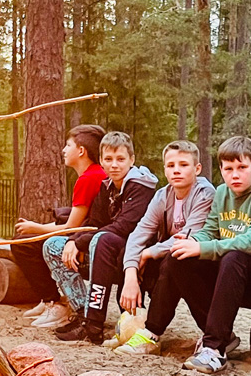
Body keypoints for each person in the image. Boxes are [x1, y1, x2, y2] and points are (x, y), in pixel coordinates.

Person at [162, 135, 251, 374]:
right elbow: (210, 230)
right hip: (234, 272)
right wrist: (192, 242)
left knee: (235, 256)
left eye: (242, 167)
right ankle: (224, 336)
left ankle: (213, 349)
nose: (235, 175)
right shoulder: (222, 193)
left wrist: (203, 248)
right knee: (178, 258)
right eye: (228, 169)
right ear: (221, 170)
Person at [49, 131, 157, 343]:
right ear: (101, 161)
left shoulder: (141, 186)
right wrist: (72, 240)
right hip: (108, 244)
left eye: (120, 159)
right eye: (108, 159)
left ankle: (94, 324)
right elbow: (94, 222)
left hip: (137, 252)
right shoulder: (106, 186)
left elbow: (124, 226)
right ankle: (82, 313)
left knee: (102, 240)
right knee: (54, 245)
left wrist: (81, 241)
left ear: (132, 160)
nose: (114, 165)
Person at [113, 140, 216, 355]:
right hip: (174, 255)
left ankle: (151, 334)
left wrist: (149, 252)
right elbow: (139, 233)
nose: (176, 170)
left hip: (203, 261)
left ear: (197, 168)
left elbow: (191, 236)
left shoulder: (205, 194)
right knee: (126, 254)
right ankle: (130, 327)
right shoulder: (163, 195)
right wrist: (131, 275)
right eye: (170, 165)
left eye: (183, 165)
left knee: (172, 260)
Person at [13, 124, 107, 329]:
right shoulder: (94, 174)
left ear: (81, 151)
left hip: (86, 240)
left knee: (23, 245)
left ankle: (55, 303)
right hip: (87, 234)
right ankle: (51, 299)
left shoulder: (89, 178)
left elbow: (71, 228)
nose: (63, 150)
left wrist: (36, 228)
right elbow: (74, 221)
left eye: (68, 145)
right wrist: (35, 227)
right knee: (25, 241)